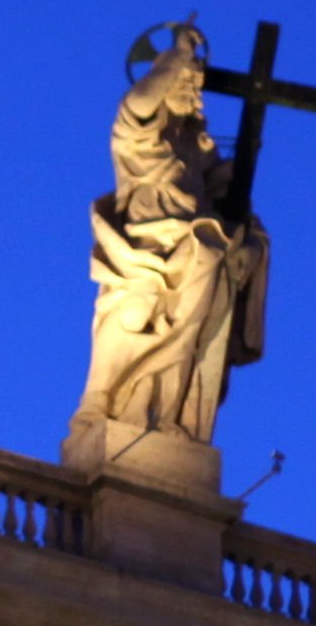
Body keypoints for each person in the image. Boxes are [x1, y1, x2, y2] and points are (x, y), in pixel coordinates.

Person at [74, 23, 264, 445]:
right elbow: (137, 101)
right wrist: (177, 55)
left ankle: (169, 415)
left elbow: (229, 194)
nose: (195, 93)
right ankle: (110, 403)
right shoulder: (136, 136)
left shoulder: (196, 152)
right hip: (140, 251)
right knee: (131, 322)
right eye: (186, 84)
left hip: (191, 250)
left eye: (197, 87)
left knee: (206, 283)